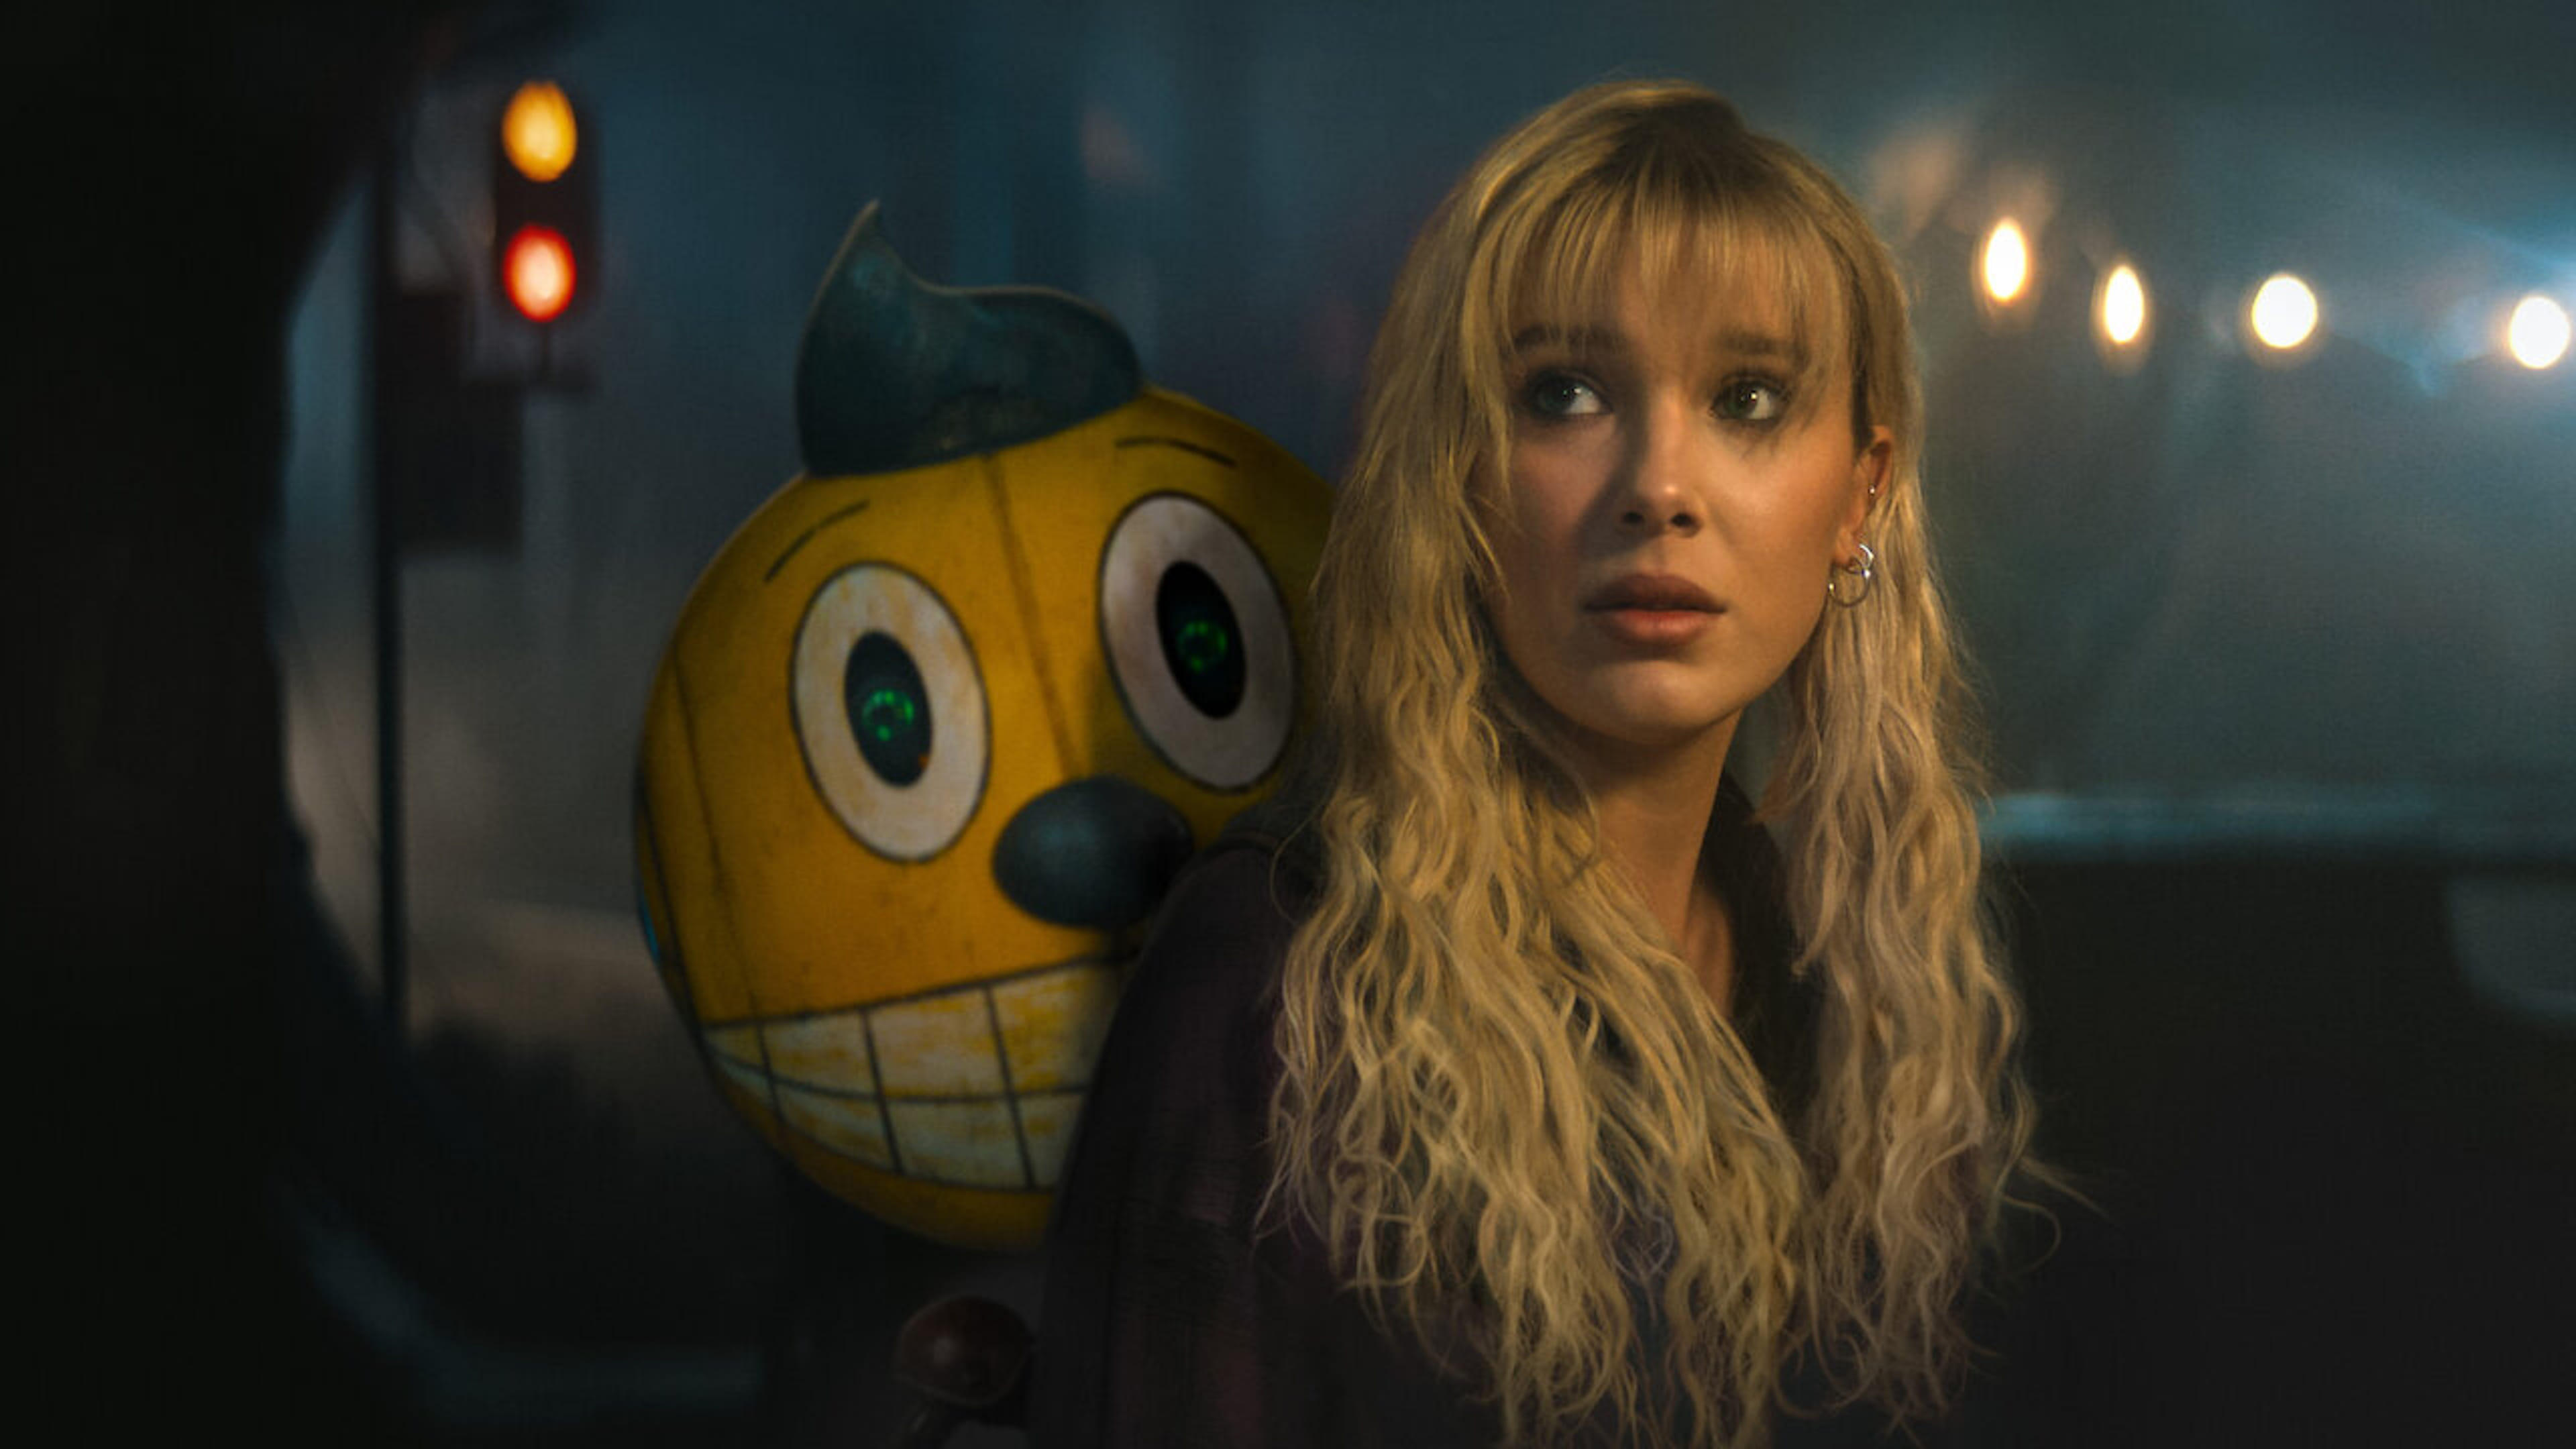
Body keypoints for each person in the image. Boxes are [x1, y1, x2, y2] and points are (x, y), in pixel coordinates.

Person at [1030, 78, 2049, 1449]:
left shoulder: (1844, 989)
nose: (1660, 486)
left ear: (1859, 493)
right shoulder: (1279, 974)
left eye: (1747, 396)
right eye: (1564, 393)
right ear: (1455, 467)